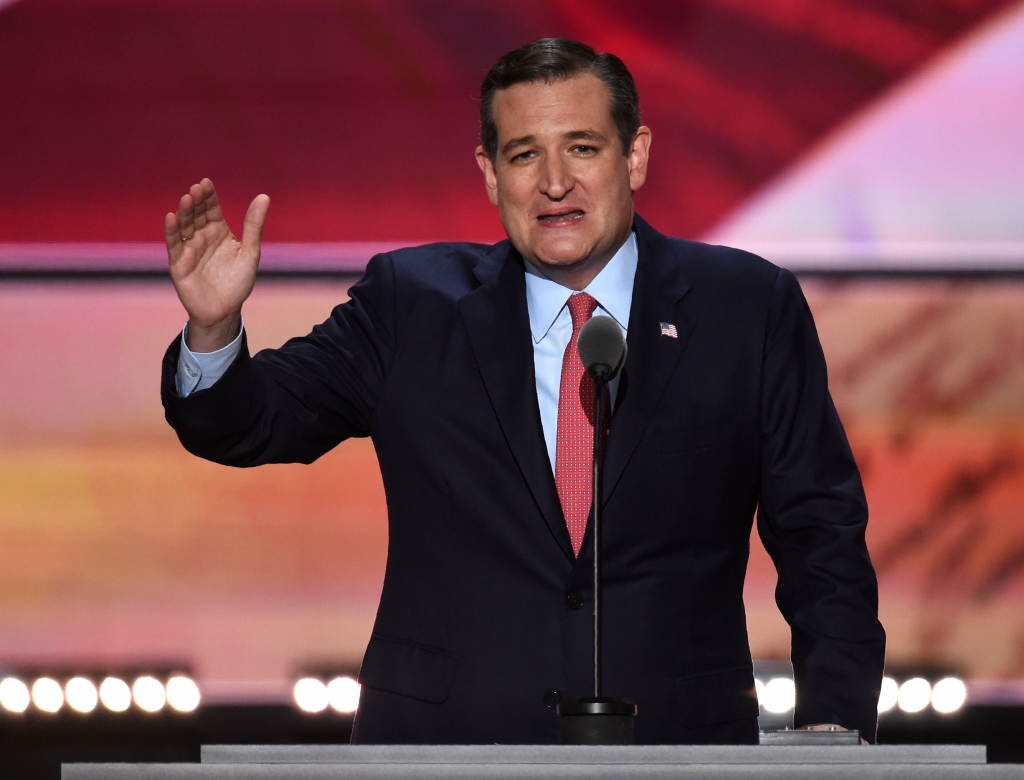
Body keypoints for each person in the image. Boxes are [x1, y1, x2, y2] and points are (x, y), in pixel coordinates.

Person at [161, 38, 885, 745]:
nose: (554, 183)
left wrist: (835, 725)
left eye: (582, 147)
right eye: (524, 154)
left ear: (634, 156)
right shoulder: (409, 304)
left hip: (676, 747)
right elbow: (249, 422)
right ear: (489, 173)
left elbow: (821, 535)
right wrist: (215, 329)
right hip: (443, 750)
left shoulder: (746, 308)